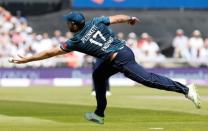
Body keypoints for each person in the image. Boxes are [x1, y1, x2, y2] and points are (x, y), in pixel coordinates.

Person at [9, 12, 201, 124]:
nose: (68, 26)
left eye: (69, 24)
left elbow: (50, 53)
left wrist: (27, 60)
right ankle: (99, 114)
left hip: (121, 60)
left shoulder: (75, 41)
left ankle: (186, 90)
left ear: (74, 25)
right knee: (98, 76)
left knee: (147, 79)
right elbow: (116, 18)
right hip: (120, 52)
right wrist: (130, 19)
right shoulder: (95, 21)